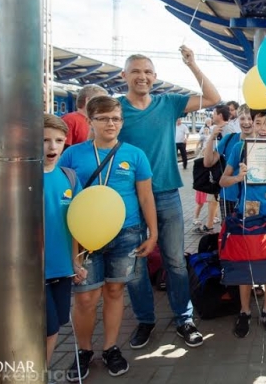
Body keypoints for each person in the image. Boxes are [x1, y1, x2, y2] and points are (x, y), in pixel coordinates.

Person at [120, 47, 220, 350]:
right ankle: (145, 320)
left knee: (175, 261)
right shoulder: (116, 110)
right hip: (129, 197)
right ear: (123, 76)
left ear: (155, 77)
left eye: (148, 72)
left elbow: (214, 98)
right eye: (135, 71)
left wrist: (193, 64)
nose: (142, 76)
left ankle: (183, 318)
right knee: (134, 266)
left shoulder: (168, 104)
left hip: (166, 194)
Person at [60, 96, 158, 380]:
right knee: (86, 298)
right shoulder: (72, 155)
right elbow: (62, 197)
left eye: (116, 118)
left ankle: (110, 348)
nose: (110, 123)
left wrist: (152, 233)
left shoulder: (135, 155)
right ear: (90, 121)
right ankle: (83, 351)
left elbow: (145, 195)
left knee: (115, 293)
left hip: (126, 234)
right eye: (103, 118)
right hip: (84, 236)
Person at [219, 107, 266, 337]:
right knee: (244, 265)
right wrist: (238, 177)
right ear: (251, 123)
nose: (262, 128)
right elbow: (223, 181)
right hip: (246, 216)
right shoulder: (240, 148)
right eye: (258, 122)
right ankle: (245, 311)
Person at [43, 114, 83, 377]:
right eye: (45, 140)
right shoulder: (20, 177)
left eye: (58, 140)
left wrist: (76, 261)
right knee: (48, 327)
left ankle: (40, 371)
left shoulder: (69, 178)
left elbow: (78, 224)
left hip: (62, 268)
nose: (52, 147)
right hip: (33, 271)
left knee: (56, 322)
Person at [203, 104, 253, 219]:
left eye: (250, 118)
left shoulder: (262, 144)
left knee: (250, 233)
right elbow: (208, 162)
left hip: (251, 197)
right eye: (242, 118)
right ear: (237, 120)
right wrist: (211, 138)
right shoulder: (229, 139)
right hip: (229, 196)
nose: (246, 122)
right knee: (229, 233)